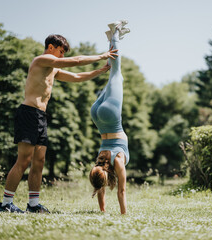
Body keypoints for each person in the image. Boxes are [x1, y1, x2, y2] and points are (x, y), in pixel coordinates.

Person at [0, 34, 118, 213]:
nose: (62, 56)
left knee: (39, 161)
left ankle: (33, 204)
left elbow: (77, 77)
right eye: (60, 52)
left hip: (40, 116)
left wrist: (100, 70)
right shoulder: (42, 60)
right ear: (51, 47)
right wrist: (102, 55)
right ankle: (6, 204)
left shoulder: (52, 69)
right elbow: (76, 61)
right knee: (24, 161)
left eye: (63, 53)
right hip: (28, 113)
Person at [89, 20, 130, 215]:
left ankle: (116, 31)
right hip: (97, 116)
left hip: (111, 117)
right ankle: (112, 40)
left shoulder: (117, 162)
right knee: (115, 77)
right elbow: (99, 187)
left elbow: (121, 192)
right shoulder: (99, 162)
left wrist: (124, 215)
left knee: (116, 73)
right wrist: (102, 211)